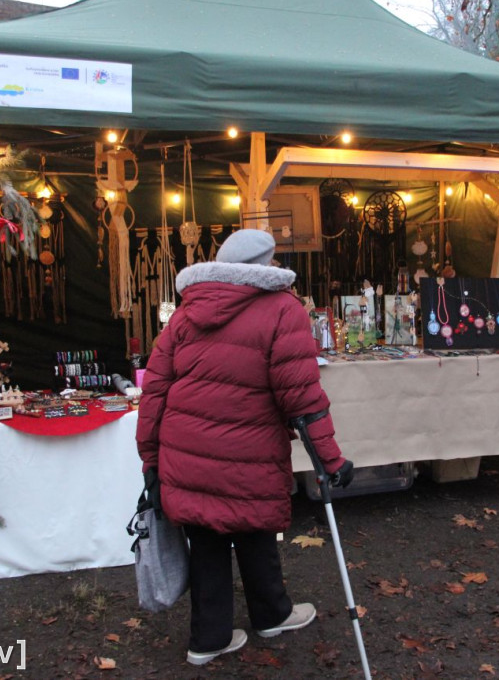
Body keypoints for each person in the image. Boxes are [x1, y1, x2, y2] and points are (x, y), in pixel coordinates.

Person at [135, 228, 354, 666]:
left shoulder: (185, 312)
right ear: (265, 264)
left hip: (186, 453)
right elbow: (302, 399)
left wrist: (151, 460)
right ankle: (272, 614)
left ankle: (208, 639)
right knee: (255, 530)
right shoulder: (282, 309)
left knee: (208, 542)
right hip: (250, 451)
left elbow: (155, 390)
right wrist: (331, 460)